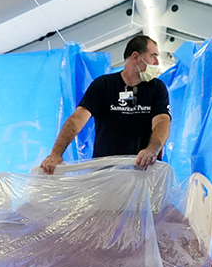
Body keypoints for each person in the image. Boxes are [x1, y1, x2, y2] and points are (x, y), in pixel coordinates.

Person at [39, 35, 170, 174]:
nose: (156, 62)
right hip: (104, 173)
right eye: (153, 56)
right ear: (136, 57)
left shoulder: (157, 88)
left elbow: (162, 121)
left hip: (141, 171)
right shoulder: (103, 85)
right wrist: (56, 153)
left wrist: (152, 149)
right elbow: (77, 119)